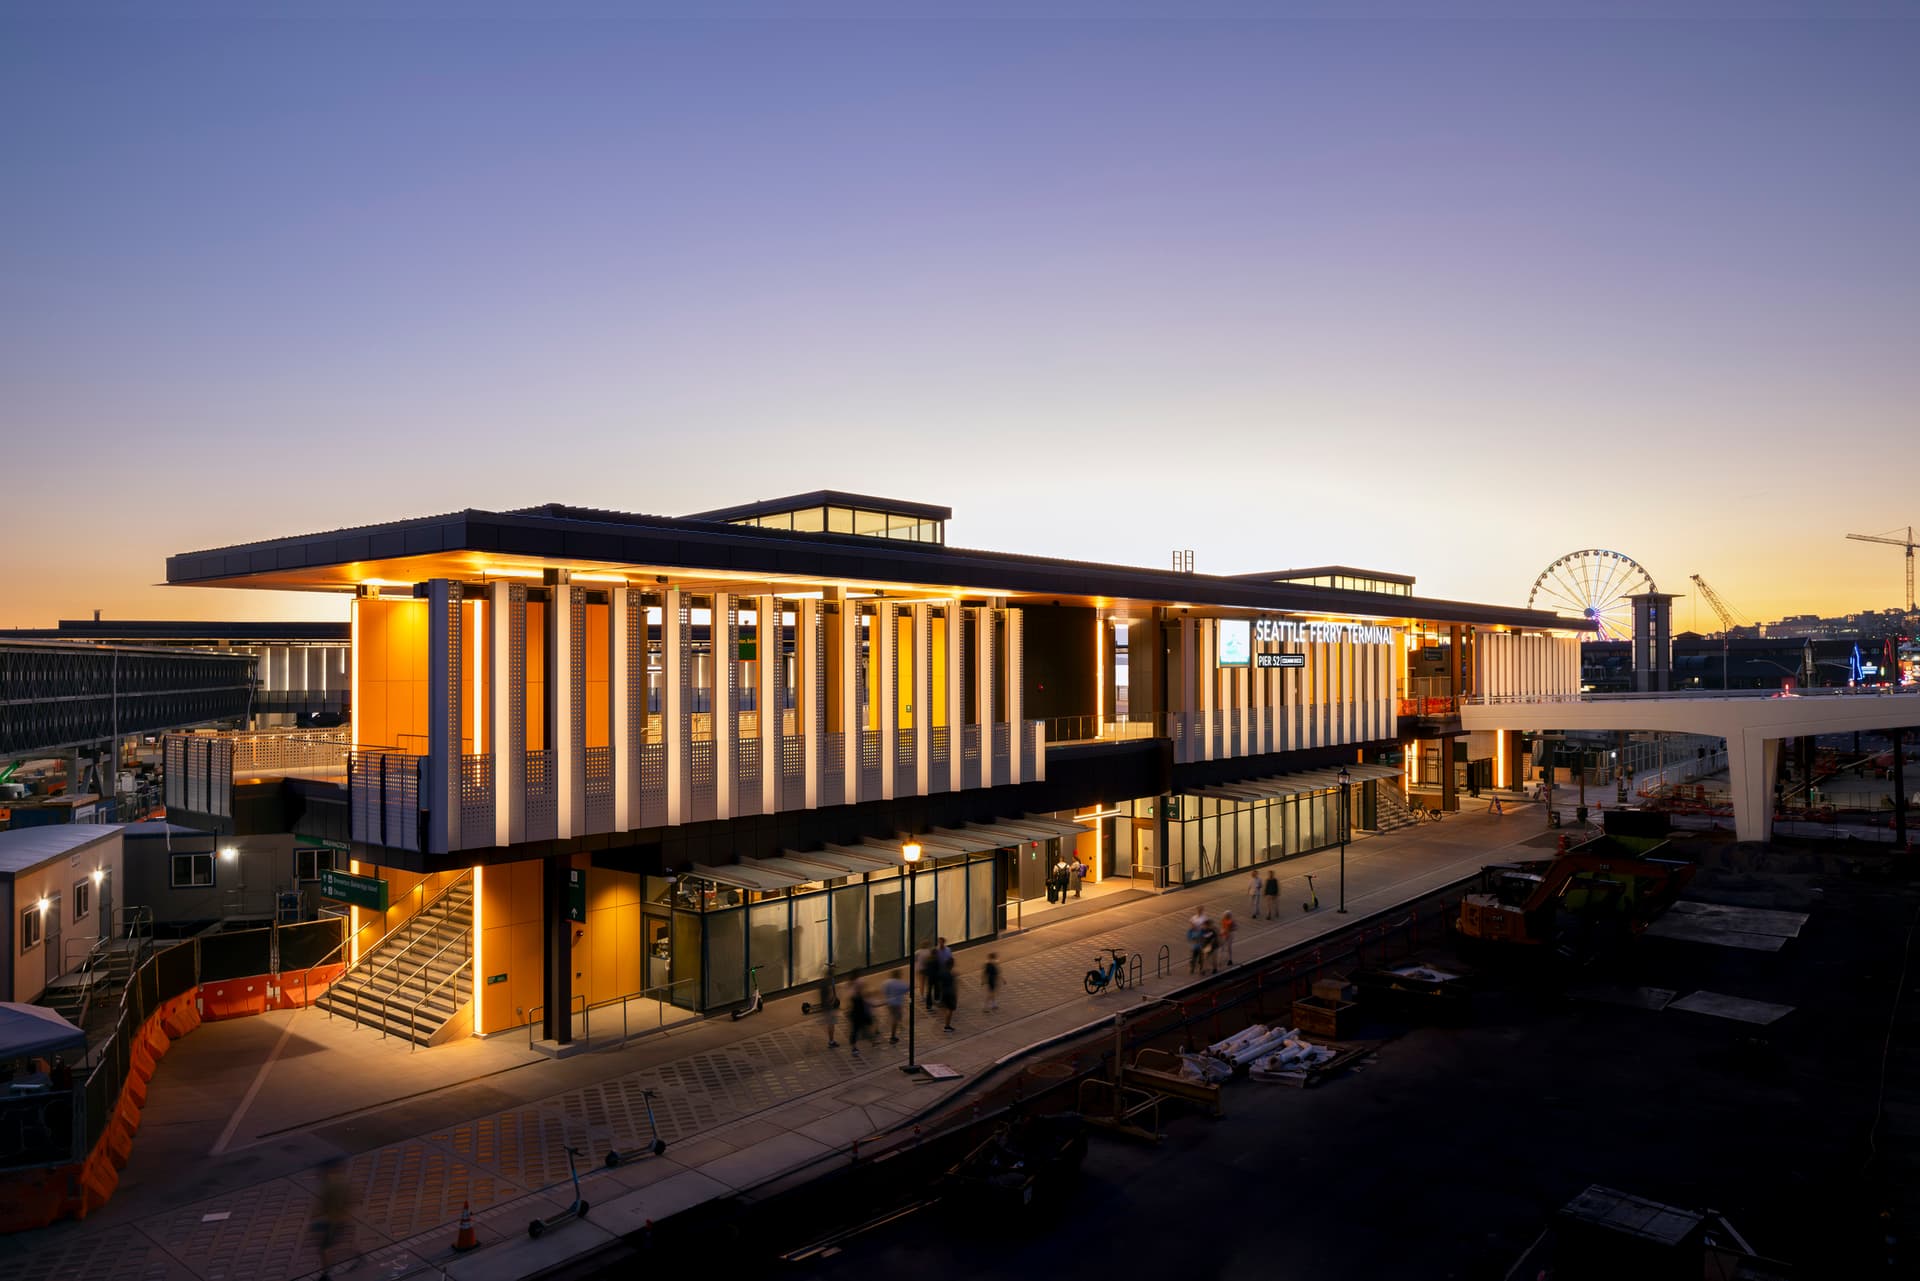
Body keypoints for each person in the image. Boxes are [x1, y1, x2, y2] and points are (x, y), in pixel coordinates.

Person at [312, 1156, 353, 1280]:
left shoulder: (331, 1185)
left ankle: (326, 1274)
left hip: (333, 1222)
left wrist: (318, 1215)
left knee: (325, 1249)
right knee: (329, 1246)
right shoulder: (339, 1182)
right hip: (336, 1220)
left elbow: (325, 1205)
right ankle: (356, 1255)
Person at [844, 978, 874, 1057]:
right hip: (859, 1017)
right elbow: (862, 1006)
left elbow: (851, 1006)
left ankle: (856, 1047)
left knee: (857, 1031)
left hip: (856, 1017)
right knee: (859, 1031)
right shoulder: (859, 997)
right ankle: (870, 1041)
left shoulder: (856, 996)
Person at [882, 968, 910, 1043]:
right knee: (895, 1018)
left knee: (895, 1014)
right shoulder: (900, 983)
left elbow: (884, 991)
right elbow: (907, 989)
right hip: (897, 1003)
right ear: (898, 975)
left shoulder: (886, 982)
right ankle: (892, 1037)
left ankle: (899, 1023)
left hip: (889, 1002)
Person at [818, 967, 839, 1049]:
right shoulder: (827, 984)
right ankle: (831, 1041)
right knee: (831, 1025)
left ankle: (831, 1040)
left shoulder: (822, 982)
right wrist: (832, 1002)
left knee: (830, 1024)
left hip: (825, 1007)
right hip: (829, 1008)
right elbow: (829, 997)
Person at [1187, 907, 1209, 973]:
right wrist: (1191, 939)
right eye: (1198, 910)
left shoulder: (1205, 918)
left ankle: (1201, 969)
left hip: (1201, 942)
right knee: (1194, 956)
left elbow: (1207, 928)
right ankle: (1193, 968)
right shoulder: (1194, 918)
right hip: (1195, 944)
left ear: (1202, 911)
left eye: (1200, 910)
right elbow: (1189, 936)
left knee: (1201, 956)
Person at [916, 940, 936, 1010]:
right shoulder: (929, 951)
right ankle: (929, 993)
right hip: (926, 968)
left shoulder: (918, 952)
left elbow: (915, 959)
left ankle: (921, 996)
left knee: (921, 982)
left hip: (919, 968)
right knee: (928, 982)